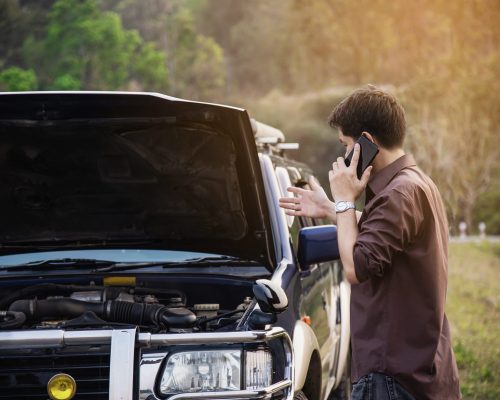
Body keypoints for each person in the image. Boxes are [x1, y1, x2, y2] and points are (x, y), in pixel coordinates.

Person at [279, 86, 460, 400]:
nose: (345, 155)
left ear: (366, 142)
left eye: (346, 145)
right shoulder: (413, 184)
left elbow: (356, 267)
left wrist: (345, 199)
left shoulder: (397, 194)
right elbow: (384, 234)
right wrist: (330, 208)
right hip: (418, 372)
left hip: (392, 378)